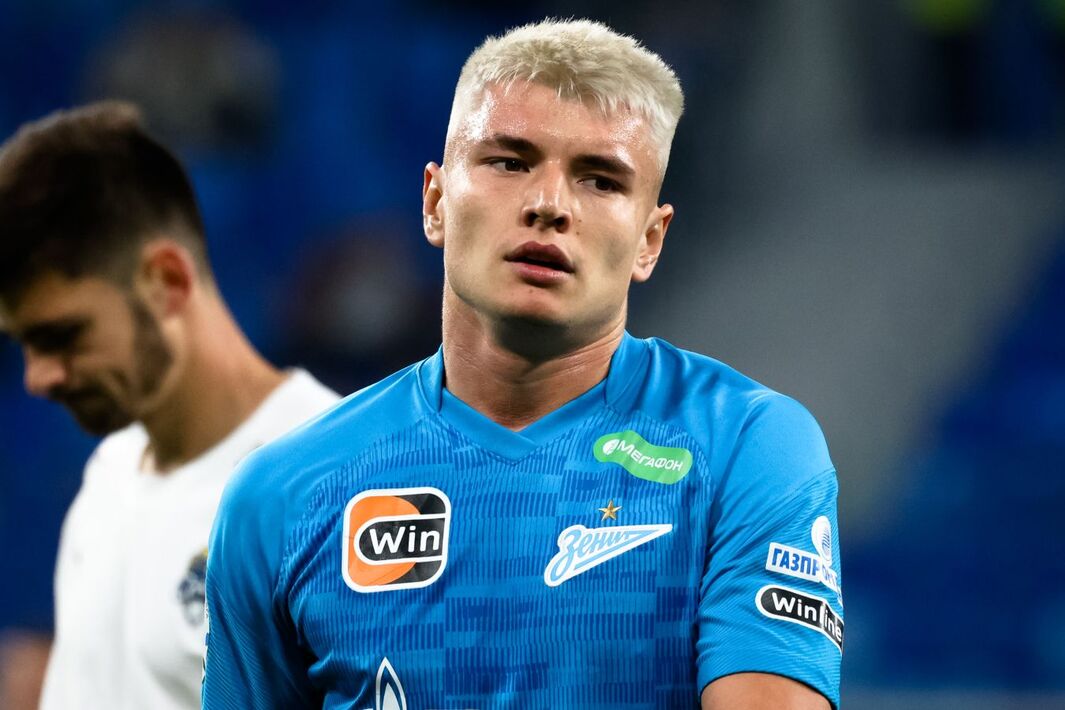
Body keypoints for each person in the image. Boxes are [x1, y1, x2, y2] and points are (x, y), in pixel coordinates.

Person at [203, 19, 843, 710]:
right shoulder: (282, 496)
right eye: (509, 162)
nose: (549, 205)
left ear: (649, 242)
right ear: (435, 202)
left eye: (600, 180)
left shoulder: (744, 447)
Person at [0, 102, 339, 710]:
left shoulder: (334, 485)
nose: (37, 377)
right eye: (22, 343)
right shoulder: (107, 476)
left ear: (167, 281)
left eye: (62, 336)